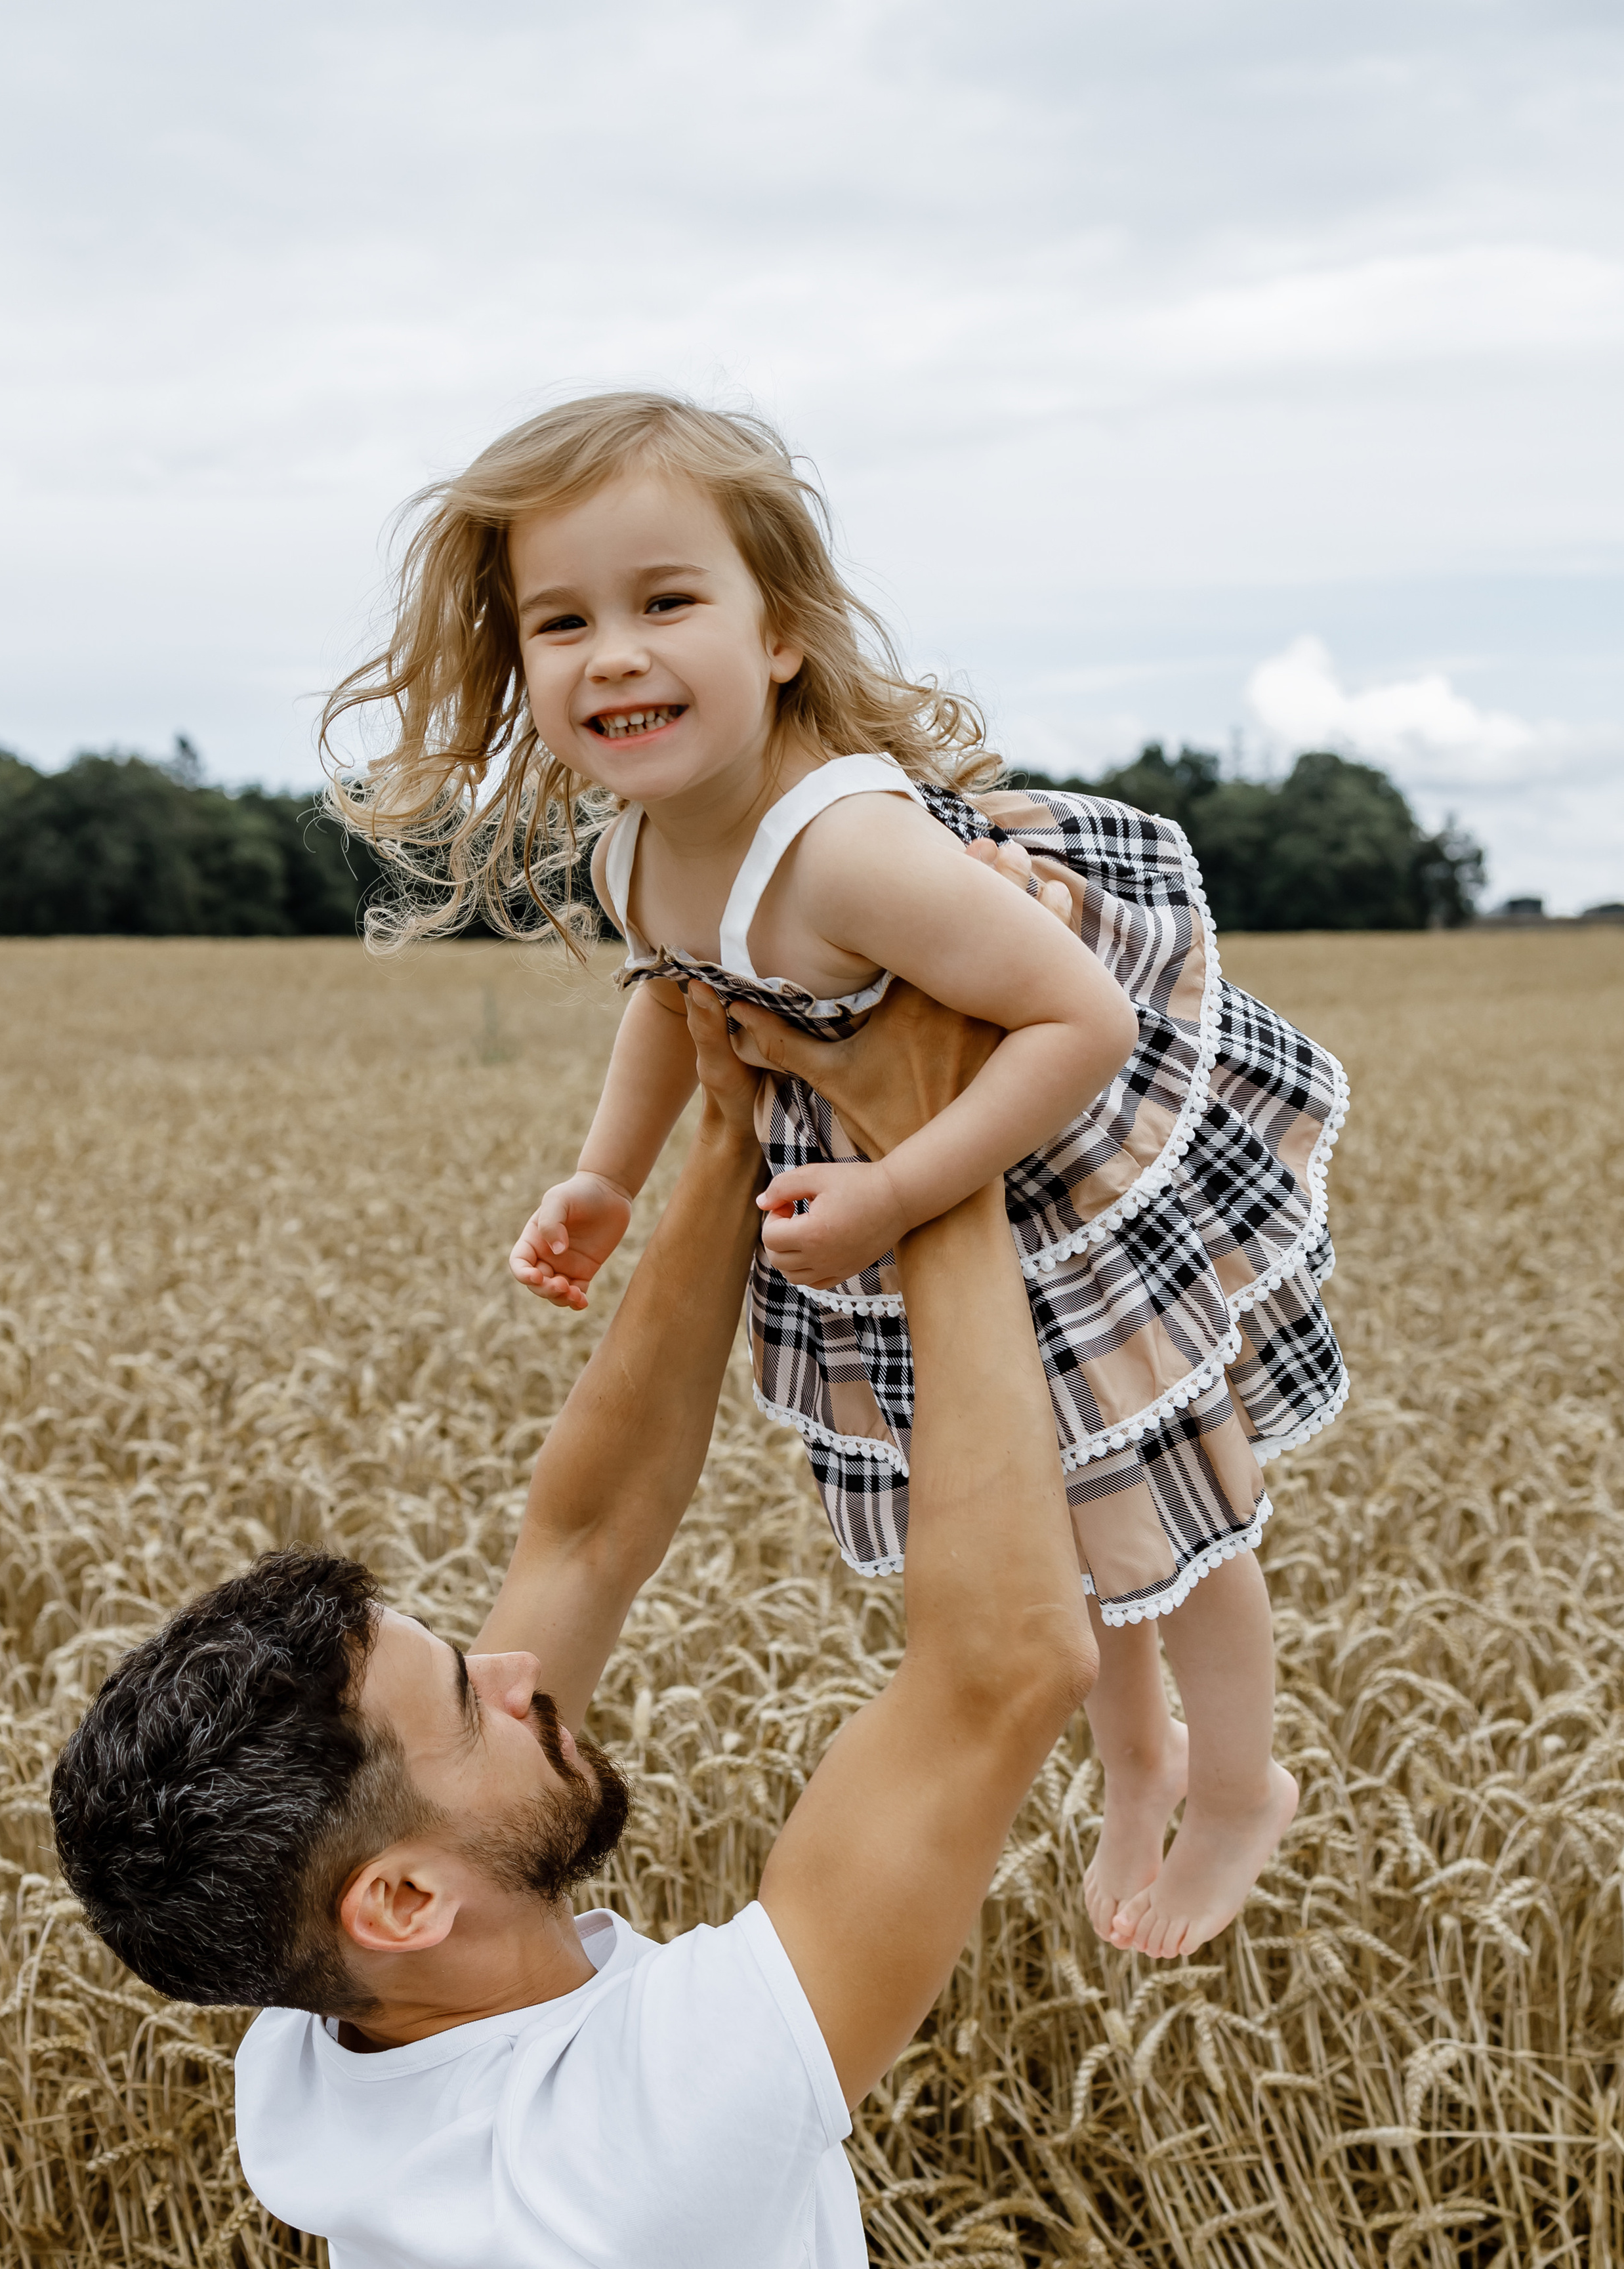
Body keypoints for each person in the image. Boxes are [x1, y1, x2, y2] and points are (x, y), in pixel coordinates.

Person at [51, 976, 1096, 2269]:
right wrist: (937, 1148)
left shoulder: (319, 2051)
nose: (521, 1670)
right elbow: (1005, 1670)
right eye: (469, 1702)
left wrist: (730, 1132)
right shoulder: (643, 2135)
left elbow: (587, 1531)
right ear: (401, 1901)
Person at [320, 390, 1351, 1957]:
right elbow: (674, 999)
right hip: (915, 1172)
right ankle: (1138, 1758)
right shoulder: (631, 846)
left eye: (666, 602)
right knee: (1053, 1507)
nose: (614, 653)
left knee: (1167, 1496)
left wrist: (897, 1195)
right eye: (562, 621)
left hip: (1044, 1161)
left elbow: (1080, 1021)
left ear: (781, 633)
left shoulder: (847, 850)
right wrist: (604, 1182)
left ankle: (1237, 1788)